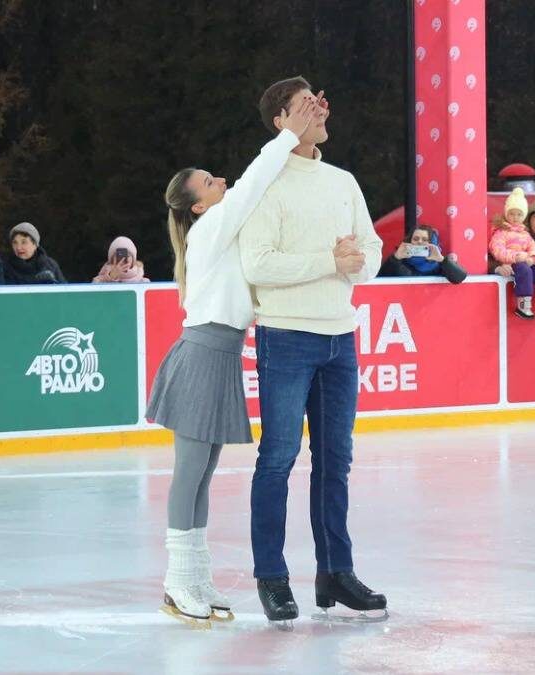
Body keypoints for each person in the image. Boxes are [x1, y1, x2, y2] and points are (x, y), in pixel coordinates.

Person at [147, 94, 319, 626]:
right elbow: (252, 184)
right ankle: (179, 582)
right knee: (190, 473)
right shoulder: (210, 228)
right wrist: (288, 135)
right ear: (198, 204)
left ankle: (196, 578)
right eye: (209, 181)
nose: (220, 180)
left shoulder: (218, 232)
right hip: (202, 356)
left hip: (218, 357)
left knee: (202, 475)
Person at [238, 76, 387, 625]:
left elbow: (370, 248)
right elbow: (258, 265)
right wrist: (331, 260)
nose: (320, 109)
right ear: (281, 120)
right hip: (286, 336)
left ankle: (335, 571)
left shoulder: (342, 181)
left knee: (335, 462)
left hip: (339, 337)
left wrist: (358, 262)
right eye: (305, 105)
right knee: (276, 459)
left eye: (321, 101)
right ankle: (272, 576)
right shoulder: (266, 185)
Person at [489, 188, 535, 319]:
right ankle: (524, 303)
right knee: (524, 269)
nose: (515, 218)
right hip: (512, 264)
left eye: (519, 214)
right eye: (512, 214)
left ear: (523, 216)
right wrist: (515, 257)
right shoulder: (501, 232)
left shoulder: (525, 233)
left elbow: (534, 247)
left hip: (525, 263)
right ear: (506, 214)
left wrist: (532, 258)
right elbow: (497, 249)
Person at [379, 224, 467, 283]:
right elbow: (379, 280)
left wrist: (442, 260)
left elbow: (459, 278)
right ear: (409, 241)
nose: (420, 242)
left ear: (433, 243)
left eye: (425, 240)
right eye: (416, 239)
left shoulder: (440, 265)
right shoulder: (400, 261)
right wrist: (395, 258)